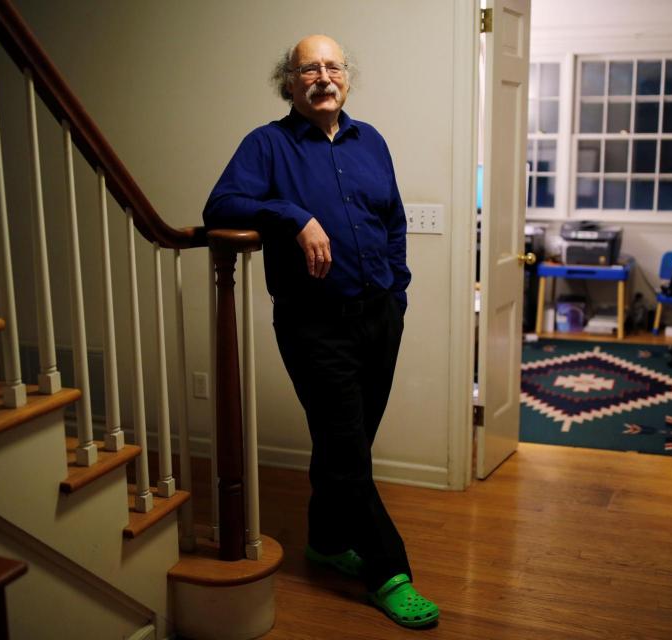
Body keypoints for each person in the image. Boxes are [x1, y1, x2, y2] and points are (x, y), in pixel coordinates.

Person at [202, 35, 439, 628]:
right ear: (289, 82)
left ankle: (328, 542)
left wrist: (398, 289)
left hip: (380, 315)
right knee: (348, 448)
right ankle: (389, 571)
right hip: (314, 326)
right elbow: (221, 205)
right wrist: (295, 217)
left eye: (333, 66)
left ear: (347, 79)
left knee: (344, 445)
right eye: (310, 68)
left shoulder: (372, 142)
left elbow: (393, 219)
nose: (323, 77)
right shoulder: (267, 145)